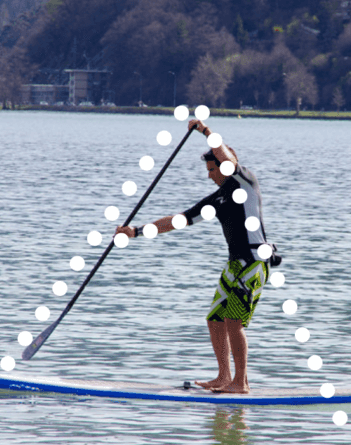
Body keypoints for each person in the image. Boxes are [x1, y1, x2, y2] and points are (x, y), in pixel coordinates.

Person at [115, 119, 275, 394]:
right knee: (215, 318)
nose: (210, 174)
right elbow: (178, 221)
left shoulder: (245, 181)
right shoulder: (216, 200)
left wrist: (205, 132)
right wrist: (135, 231)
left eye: (213, 169)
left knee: (234, 322)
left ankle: (241, 382)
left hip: (253, 263)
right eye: (209, 170)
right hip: (234, 266)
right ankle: (224, 377)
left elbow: (224, 156)